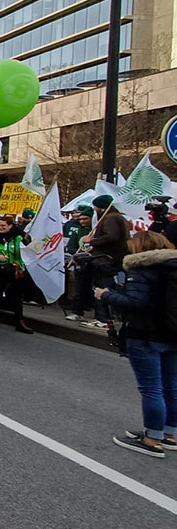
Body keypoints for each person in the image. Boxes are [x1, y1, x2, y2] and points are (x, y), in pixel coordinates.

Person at [95, 232, 177, 457]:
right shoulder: (173, 268)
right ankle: (169, 434)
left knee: (151, 388)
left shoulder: (141, 269)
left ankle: (152, 439)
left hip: (145, 334)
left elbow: (135, 302)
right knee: (171, 387)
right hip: (173, 334)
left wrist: (106, 295)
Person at [71, 194, 129, 328]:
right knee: (104, 287)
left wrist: (92, 241)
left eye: (96, 207)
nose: (95, 209)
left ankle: (103, 319)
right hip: (110, 258)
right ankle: (104, 318)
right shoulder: (117, 217)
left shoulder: (110, 218)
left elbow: (112, 236)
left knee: (102, 287)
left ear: (101, 207)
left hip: (106, 260)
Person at [0, 215, 33, 334]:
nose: (0, 228)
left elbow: (27, 252)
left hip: (15, 271)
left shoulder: (18, 239)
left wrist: (20, 264)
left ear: (10, 226)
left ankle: (19, 322)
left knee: (17, 297)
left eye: (3, 226)